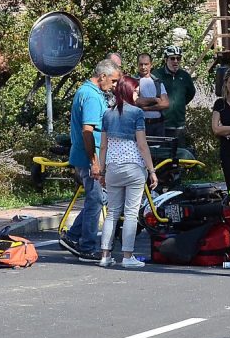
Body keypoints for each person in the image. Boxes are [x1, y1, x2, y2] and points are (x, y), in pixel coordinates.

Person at [97, 78, 159, 269]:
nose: (138, 95)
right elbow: (142, 145)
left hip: (113, 167)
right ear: (129, 91)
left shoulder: (108, 114)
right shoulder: (137, 113)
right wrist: (152, 170)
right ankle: (127, 256)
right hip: (133, 167)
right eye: (136, 91)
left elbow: (104, 145)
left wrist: (102, 171)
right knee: (131, 213)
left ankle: (105, 255)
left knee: (112, 213)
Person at [63, 59, 121, 261]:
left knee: (96, 199)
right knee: (96, 200)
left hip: (88, 155)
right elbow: (88, 132)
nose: (114, 86)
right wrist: (94, 162)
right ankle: (86, 248)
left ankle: (71, 237)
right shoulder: (91, 96)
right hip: (88, 157)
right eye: (113, 81)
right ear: (102, 76)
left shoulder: (91, 92)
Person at [154, 45, 197, 145]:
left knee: (179, 155)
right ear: (166, 59)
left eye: (178, 58)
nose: (176, 61)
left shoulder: (185, 76)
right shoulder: (156, 75)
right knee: (162, 156)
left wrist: (179, 103)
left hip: (179, 125)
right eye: (172, 58)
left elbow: (190, 93)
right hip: (162, 124)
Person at [136, 53, 170, 138]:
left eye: (146, 64)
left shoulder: (157, 82)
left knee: (159, 149)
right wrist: (155, 100)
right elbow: (135, 101)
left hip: (158, 125)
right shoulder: (133, 82)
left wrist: (147, 108)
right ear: (137, 65)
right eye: (141, 64)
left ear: (151, 65)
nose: (143, 67)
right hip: (141, 125)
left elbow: (165, 103)